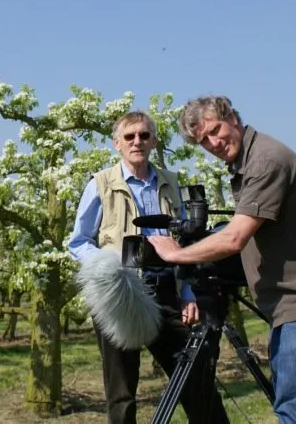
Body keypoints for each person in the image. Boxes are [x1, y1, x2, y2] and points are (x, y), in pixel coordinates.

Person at [148, 96, 296, 424]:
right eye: (203, 140)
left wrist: (176, 254)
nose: (213, 143)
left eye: (215, 130)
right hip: (291, 301)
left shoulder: (265, 161)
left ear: (232, 117)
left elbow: (235, 238)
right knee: (292, 403)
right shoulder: (247, 161)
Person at [69, 111, 228, 424]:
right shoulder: (100, 184)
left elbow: (184, 242)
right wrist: (108, 269)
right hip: (120, 294)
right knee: (122, 392)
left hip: (167, 288)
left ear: (154, 141)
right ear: (117, 144)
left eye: (144, 135)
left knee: (195, 380)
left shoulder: (171, 182)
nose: (137, 142)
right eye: (129, 137)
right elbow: (78, 242)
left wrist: (187, 290)